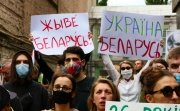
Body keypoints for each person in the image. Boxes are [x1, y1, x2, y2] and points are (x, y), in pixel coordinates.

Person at [63, 46, 95, 111]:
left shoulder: (94, 84)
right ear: (64, 63)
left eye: (75, 59)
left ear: (83, 62)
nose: (71, 63)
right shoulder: (61, 85)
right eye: (68, 60)